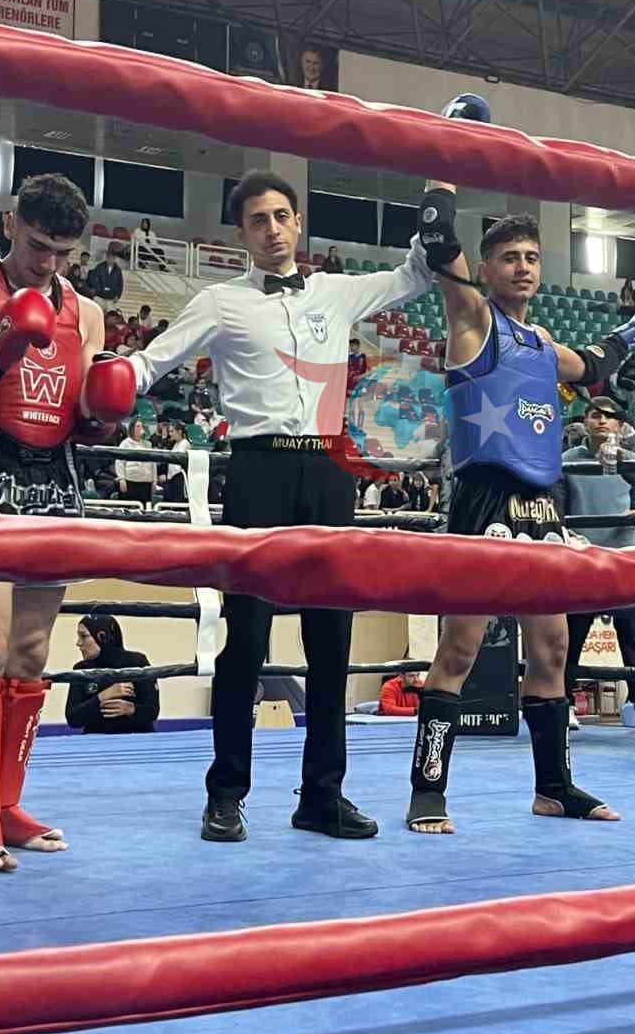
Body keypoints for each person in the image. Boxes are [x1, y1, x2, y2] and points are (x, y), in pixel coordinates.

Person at [124, 164, 443, 844]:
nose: (271, 230)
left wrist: (437, 190)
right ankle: (225, 794)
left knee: (331, 641)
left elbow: (417, 273)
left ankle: (322, 796)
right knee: (246, 639)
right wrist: (105, 380)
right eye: (257, 221)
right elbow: (151, 363)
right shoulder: (219, 301)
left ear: (298, 223)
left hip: (329, 469)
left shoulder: (336, 291)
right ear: (241, 234)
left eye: (280, 216)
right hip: (258, 470)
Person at [403, 184, 635, 833]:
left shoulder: (540, 341)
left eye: (531, 257)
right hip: (484, 499)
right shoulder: (473, 319)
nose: (523, 267)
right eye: (509, 257)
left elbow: (592, 365)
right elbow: (440, 240)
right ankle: (427, 791)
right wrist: (443, 179)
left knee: (553, 647)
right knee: (461, 649)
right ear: (487, 267)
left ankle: (554, 789)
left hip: (542, 505)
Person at [0, 173, 137, 873]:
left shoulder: (86, 312)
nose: (49, 263)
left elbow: (86, 420)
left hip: (57, 477)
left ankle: (7, 804)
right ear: (12, 224)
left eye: (63, 252)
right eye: (39, 246)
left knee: (32, 653)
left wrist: (106, 415)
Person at [561, 396, 635, 735]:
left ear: (620, 424)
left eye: (609, 416)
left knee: (631, 634)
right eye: (595, 415)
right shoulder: (568, 461)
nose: (602, 420)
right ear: (585, 422)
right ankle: (565, 704)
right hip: (582, 557)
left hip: (623, 556)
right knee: (572, 635)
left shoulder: (631, 461)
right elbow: (558, 507)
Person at [65, 613, 160, 734]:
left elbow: (153, 710)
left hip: (136, 737)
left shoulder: (137, 662)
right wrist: (102, 697)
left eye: (84, 636)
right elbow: (72, 718)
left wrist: (131, 709)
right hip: (96, 739)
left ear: (102, 637)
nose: (78, 643)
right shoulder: (81, 669)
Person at [116, 417, 157, 505]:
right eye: (138, 426)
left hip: (145, 483)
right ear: (132, 429)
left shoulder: (148, 445)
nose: (140, 428)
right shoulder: (125, 443)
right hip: (130, 481)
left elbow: (153, 463)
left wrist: (154, 480)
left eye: (141, 426)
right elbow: (119, 462)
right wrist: (121, 479)